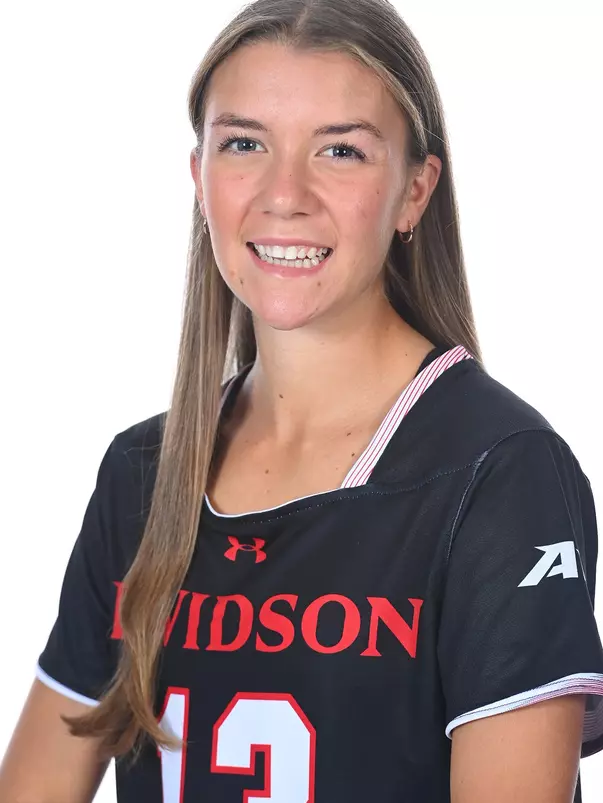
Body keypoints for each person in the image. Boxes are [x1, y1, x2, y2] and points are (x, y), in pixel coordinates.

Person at [1, 0, 602, 801]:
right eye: (244, 144)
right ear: (199, 176)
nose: (284, 193)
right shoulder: (141, 475)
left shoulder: (498, 474)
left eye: (341, 151)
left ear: (414, 192)